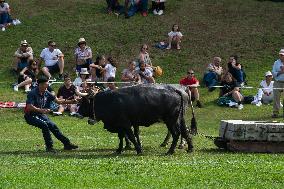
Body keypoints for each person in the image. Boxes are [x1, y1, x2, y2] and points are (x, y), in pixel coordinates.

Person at [24, 76, 79, 152]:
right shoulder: (32, 93)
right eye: (46, 84)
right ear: (40, 85)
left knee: (53, 126)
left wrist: (71, 101)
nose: (47, 86)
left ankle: (67, 144)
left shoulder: (46, 92)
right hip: (30, 116)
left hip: (40, 114)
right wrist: (40, 110)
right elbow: (29, 106)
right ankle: (49, 147)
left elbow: (58, 101)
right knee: (44, 125)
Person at [272, 49, 284, 118]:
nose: (281, 56)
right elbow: (273, 73)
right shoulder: (276, 62)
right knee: (276, 98)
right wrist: (280, 72)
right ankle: (275, 112)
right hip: (277, 82)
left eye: (282, 55)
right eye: (280, 55)